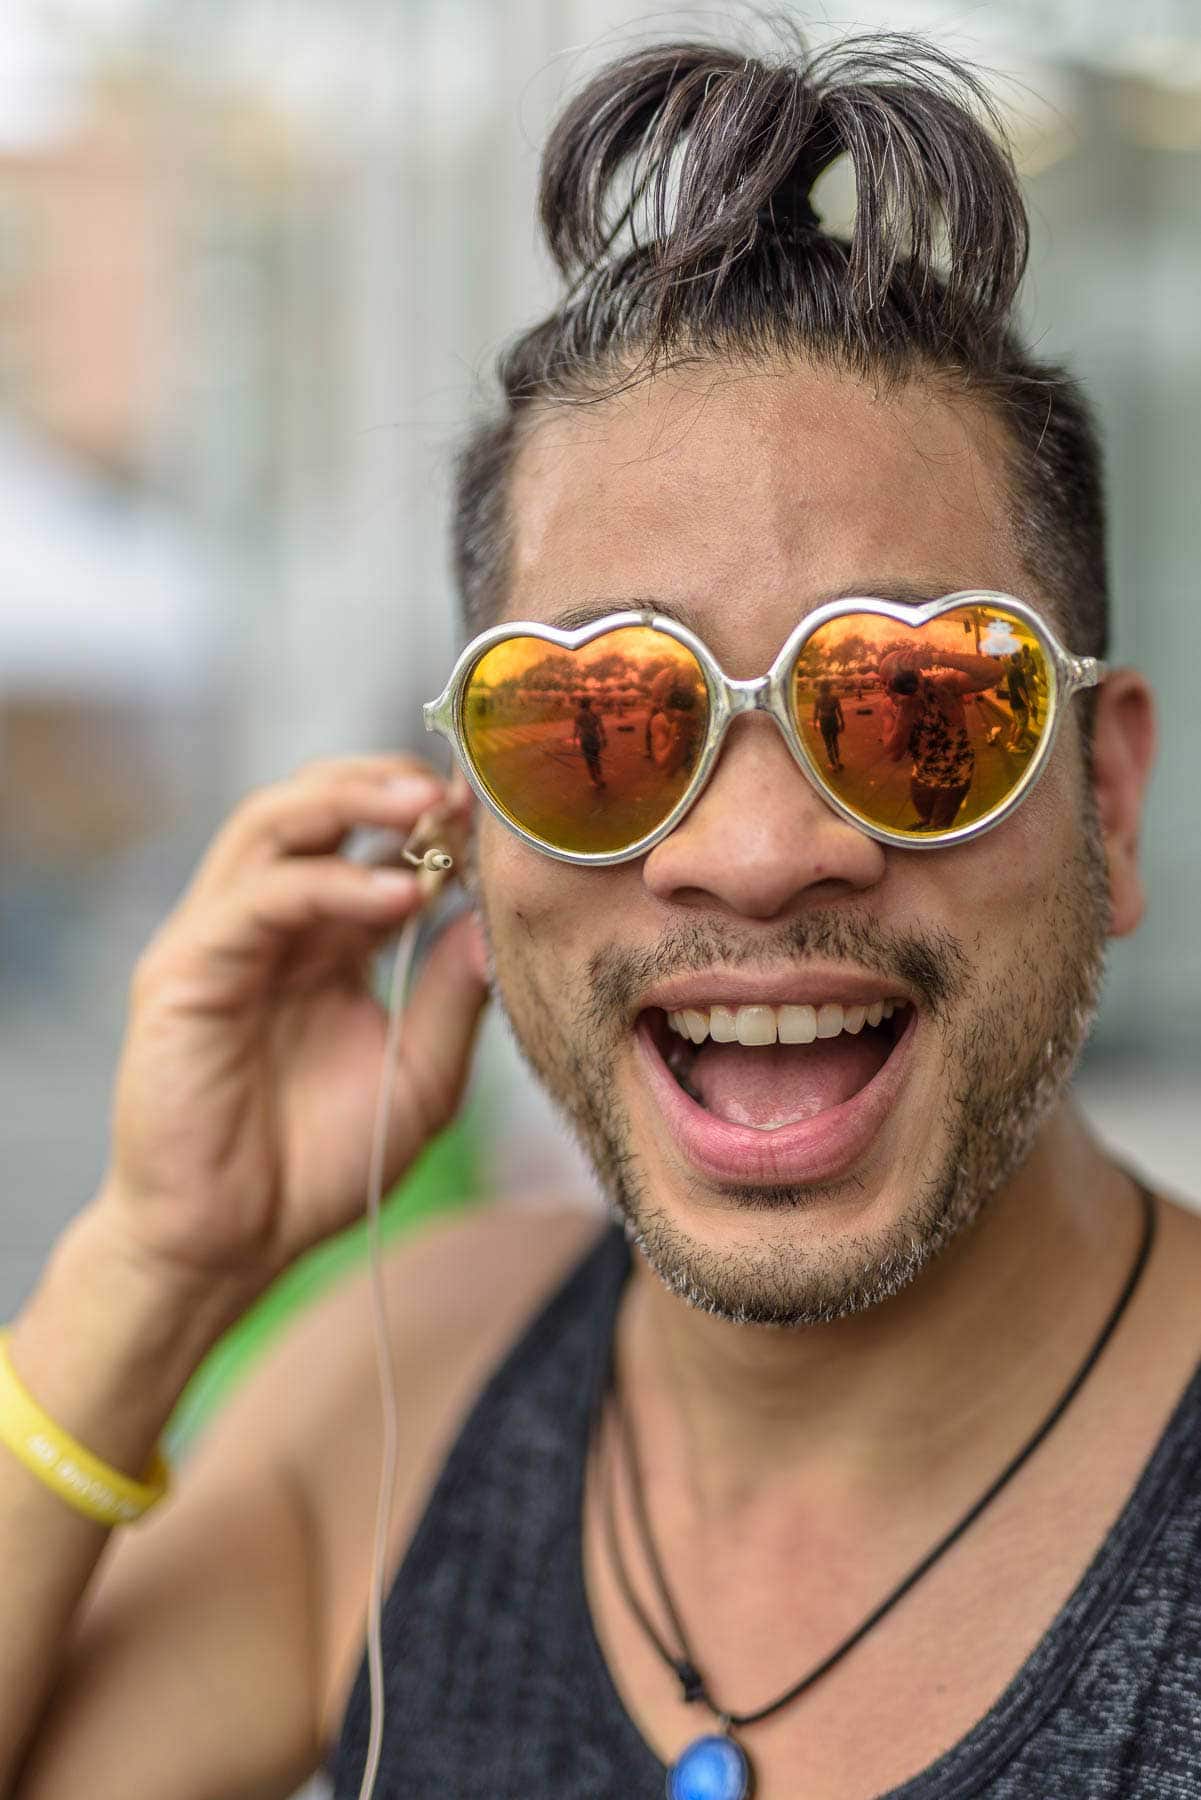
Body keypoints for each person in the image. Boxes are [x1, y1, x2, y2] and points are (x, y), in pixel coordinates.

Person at [2, 29, 1196, 1800]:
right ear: (466, 831)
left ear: (1102, 795)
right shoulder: (397, 1410)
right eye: (595, 727)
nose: (757, 849)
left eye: (910, 708)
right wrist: (151, 1268)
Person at [880, 649, 1007, 831]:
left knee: (938, 827)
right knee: (926, 818)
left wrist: (935, 657)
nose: (887, 689)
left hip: (954, 778)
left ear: (916, 675)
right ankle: (926, 823)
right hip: (921, 777)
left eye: (894, 681)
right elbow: (893, 754)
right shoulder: (888, 705)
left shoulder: (943, 686)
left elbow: (995, 673)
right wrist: (907, 710)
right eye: (883, 682)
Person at [571, 692, 607, 787]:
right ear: (589, 704)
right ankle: (601, 779)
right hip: (595, 739)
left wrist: (574, 741)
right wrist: (604, 738)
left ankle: (594, 781)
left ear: (581, 704)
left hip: (585, 741)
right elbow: (601, 727)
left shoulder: (578, 715)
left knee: (589, 762)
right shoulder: (595, 714)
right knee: (596, 759)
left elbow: (576, 729)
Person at [812, 678, 846, 771]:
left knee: (828, 744)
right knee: (835, 742)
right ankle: (838, 762)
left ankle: (833, 765)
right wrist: (842, 722)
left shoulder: (818, 698)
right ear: (829, 687)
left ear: (821, 688)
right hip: (833, 720)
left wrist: (815, 722)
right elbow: (839, 711)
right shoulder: (834, 698)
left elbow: (815, 712)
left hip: (824, 721)